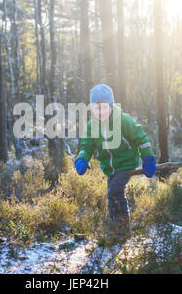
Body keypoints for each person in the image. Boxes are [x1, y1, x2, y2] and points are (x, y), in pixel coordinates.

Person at [75, 84, 156, 245]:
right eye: (96, 108)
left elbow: (141, 138)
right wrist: (82, 158)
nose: (100, 112)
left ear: (111, 106)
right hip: (109, 167)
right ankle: (115, 227)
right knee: (111, 195)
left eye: (104, 107)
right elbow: (87, 145)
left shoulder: (123, 120)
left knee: (115, 191)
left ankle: (123, 232)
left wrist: (148, 158)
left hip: (126, 163)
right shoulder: (92, 126)